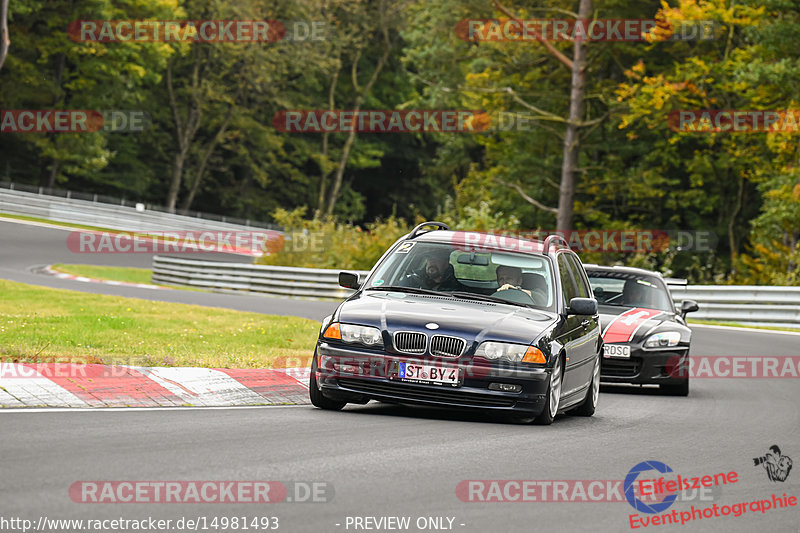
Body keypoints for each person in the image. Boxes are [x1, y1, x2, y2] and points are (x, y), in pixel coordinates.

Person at [398, 248, 463, 291]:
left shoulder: (456, 289)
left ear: (446, 263)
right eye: (429, 258)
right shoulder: (410, 281)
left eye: (436, 258)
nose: (432, 262)